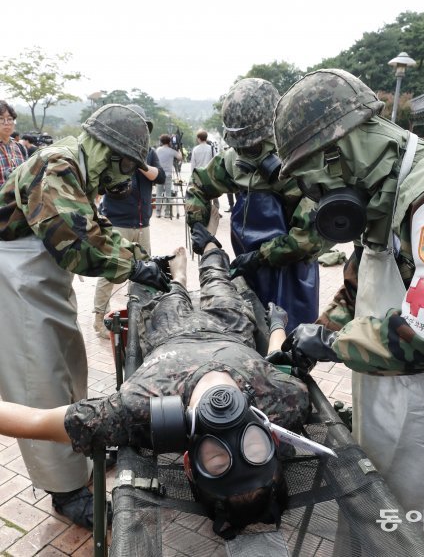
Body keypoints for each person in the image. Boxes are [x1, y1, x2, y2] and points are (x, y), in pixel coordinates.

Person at [270, 68, 424, 556]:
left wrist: (332, 345)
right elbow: (359, 290)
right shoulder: (386, 195)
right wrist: (310, 337)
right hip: (399, 395)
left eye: (310, 179)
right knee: (378, 520)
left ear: (340, 151)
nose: (313, 198)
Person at [0, 207, 309, 538]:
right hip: (230, 327)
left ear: (189, 462)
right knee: (219, 276)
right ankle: (207, 244)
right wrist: (278, 327)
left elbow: (33, 422)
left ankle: (179, 276)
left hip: (171, 332)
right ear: (272, 436)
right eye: (253, 449)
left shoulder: (140, 410)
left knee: (172, 290)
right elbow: (277, 361)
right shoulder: (285, 402)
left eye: (218, 459)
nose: (227, 422)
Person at [0, 103, 172, 530]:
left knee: (70, 367)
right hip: (14, 278)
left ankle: (81, 441)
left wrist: (142, 257)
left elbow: (95, 225)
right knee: (37, 382)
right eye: (126, 164)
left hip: (38, 278)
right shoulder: (55, 166)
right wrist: (133, 268)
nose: (126, 175)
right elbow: (77, 242)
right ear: (106, 150)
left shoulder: (76, 169)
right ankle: (66, 490)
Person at [186, 78, 332, 332]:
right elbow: (198, 185)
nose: (246, 152)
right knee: (249, 333)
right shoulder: (233, 162)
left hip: (291, 272)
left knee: (289, 340)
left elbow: (308, 238)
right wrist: (197, 224)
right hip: (247, 270)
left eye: (253, 145)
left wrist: (261, 256)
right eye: (241, 146)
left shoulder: (303, 165)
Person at [93, 104, 166, 339]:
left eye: (143, 127)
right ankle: (98, 320)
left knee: (145, 270)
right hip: (118, 222)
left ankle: (144, 316)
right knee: (109, 272)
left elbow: (160, 176)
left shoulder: (149, 152)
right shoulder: (112, 151)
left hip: (142, 223)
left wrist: (141, 162)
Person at [156, 133, 182, 219]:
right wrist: (179, 149)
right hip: (168, 175)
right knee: (168, 193)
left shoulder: (158, 150)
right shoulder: (171, 151)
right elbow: (180, 157)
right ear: (169, 141)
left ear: (161, 141)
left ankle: (158, 212)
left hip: (159, 174)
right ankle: (167, 213)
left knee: (159, 194)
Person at [0, 101, 25, 188]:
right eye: (1, 118)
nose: (6, 123)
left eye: (10, 119)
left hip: (19, 200)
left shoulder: (20, 148)